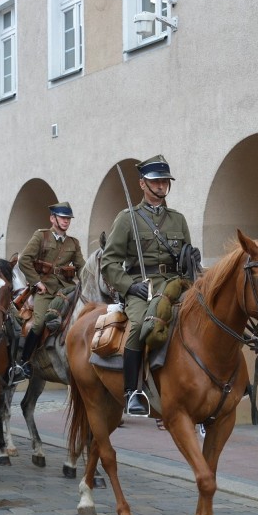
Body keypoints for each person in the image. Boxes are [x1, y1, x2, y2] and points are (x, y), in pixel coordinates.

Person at [101, 155, 198, 416]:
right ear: (143, 184)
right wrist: (129, 287)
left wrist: (191, 258)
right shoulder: (127, 218)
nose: (161, 185)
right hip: (143, 287)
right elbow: (109, 262)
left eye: (165, 181)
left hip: (177, 284)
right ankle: (132, 391)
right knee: (137, 328)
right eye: (156, 181)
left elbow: (185, 257)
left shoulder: (178, 219)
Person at [14, 202, 85, 382]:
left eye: (68, 218)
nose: (66, 221)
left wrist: (89, 279)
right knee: (38, 324)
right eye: (62, 218)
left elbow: (81, 267)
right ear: (52, 218)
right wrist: (36, 282)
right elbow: (24, 261)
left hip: (65, 289)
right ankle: (24, 362)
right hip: (44, 288)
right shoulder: (41, 236)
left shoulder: (73, 243)